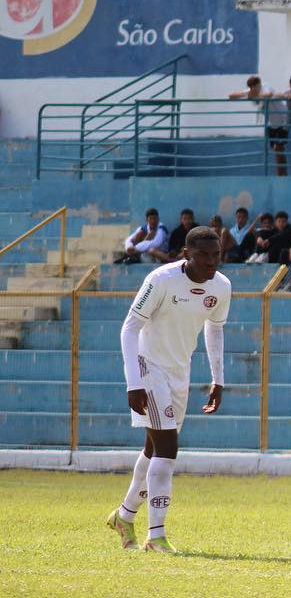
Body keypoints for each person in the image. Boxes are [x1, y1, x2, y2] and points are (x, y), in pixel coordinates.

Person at [104, 226, 231, 555]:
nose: (211, 261)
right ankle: (156, 535)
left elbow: (214, 329)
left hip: (179, 371)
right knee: (168, 448)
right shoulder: (161, 279)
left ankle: (124, 515)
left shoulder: (222, 286)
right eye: (203, 255)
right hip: (149, 367)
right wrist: (134, 382)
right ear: (186, 254)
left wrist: (218, 378)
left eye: (215, 255)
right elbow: (130, 328)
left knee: (153, 448)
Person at [228, 75, 287, 176]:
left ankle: (282, 175)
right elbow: (231, 96)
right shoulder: (252, 90)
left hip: (283, 120)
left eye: (253, 87)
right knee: (276, 149)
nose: (251, 89)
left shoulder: (266, 86)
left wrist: (254, 96)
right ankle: (281, 174)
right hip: (272, 124)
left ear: (258, 85)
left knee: (279, 149)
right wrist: (247, 95)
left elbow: (268, 94)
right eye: (250, 88)